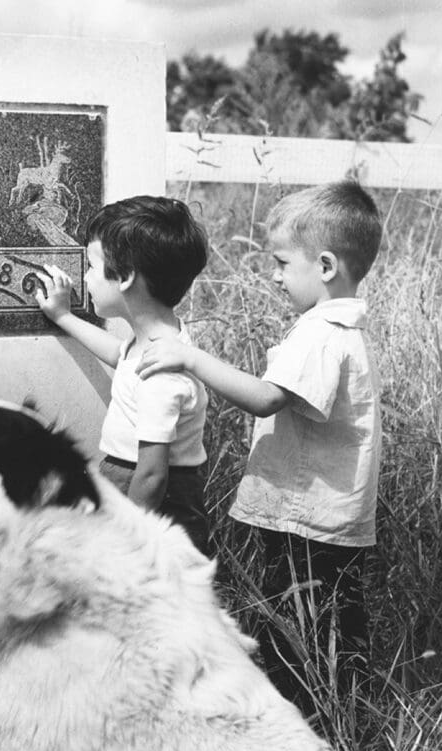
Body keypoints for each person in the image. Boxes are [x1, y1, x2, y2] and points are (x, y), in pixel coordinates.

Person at [137, 181, 382, 717]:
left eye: (280, 262)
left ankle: (305, 724)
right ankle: (346, 720)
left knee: (296, 634)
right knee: (336, 626)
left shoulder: (319, 333)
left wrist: (190, 359)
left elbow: (268, 399)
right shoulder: (342, 330)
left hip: (305, 520)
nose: (273, 275)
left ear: (323, 266)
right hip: (328, 518)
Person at [36, 195, 211, 556]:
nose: (85, 277)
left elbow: (152, 475)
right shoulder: (154, 343)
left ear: (127, 277)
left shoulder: (161, 375)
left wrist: (125, 543)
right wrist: (64, 317)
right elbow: (119, 355)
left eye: (92, 266)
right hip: (129, 481)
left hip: (151, 501)